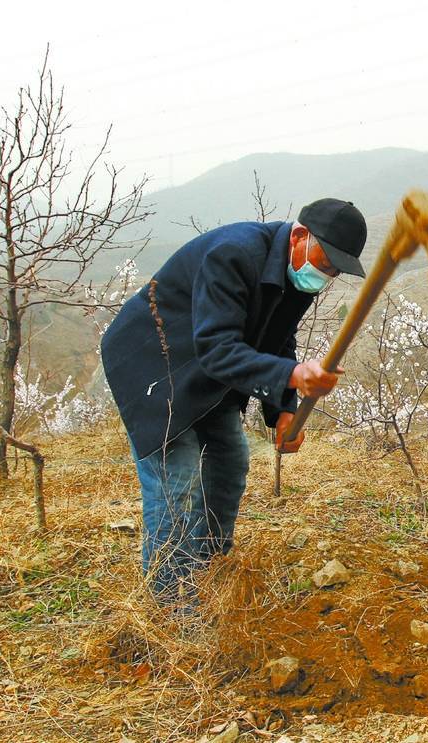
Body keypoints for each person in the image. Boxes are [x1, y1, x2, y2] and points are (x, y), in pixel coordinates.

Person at [101, 198, 367, 607]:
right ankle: (171, 603)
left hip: (207, 368)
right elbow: (217, 346)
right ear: (299, 237)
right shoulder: (234, 254)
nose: (326, 275)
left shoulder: (295, 276)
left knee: (230, 457)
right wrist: (293, 376)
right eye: (325, 262)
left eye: (334, 270)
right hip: (153, 362)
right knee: (179, 478)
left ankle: (210, 564)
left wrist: (283, 410)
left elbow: (279, 339)